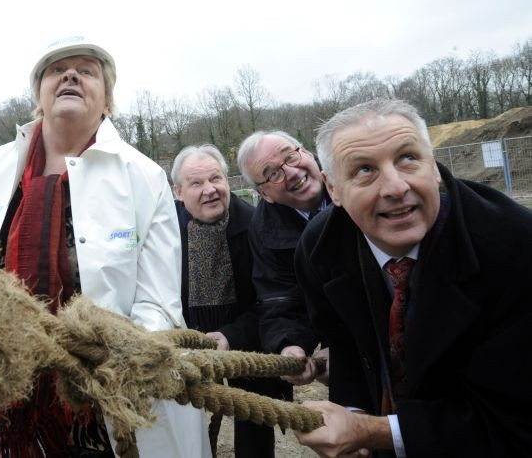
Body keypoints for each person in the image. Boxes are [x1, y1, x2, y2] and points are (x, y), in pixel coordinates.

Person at [0, 35, 210, 458]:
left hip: (112, 393)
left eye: (86, 71)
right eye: (57, 69)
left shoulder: (142, 175)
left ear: (107, 99)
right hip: (11, 383)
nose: (70, 74)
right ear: (38, 94)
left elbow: (159, 301)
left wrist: (109, 365)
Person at [293, 98, 532, 457]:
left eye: (408, 158)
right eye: (363, 170)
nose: (395, 187)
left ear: (434, 166)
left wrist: (371, 431)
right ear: (333, 190)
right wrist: (353, 411)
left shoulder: (515, 249)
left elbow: (514, 422)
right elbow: (347, 344)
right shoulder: (319, 249)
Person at [171, 144, 291, 458]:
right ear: (179, 192)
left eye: (216, 179)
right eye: (196, 184)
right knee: (187, 420)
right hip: (188, 338)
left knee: (253, 420)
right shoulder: (165, 230)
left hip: (247, 339)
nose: (210, 190)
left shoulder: (258, 227)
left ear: (227, 180)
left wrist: (230, 336)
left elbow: (270, 301)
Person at [236, 131, 330, 385]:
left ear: (308, 153)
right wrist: (289, 347)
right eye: (273, 173)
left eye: (291, 156)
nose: (292, 172)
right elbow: (279, 299)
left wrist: (352, 345)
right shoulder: (264, 230)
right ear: (264, 194)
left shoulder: (353, 183)